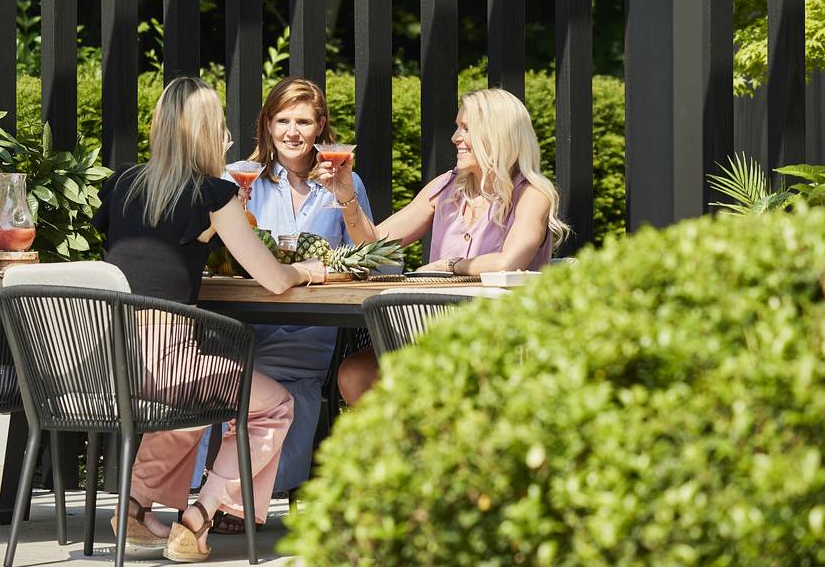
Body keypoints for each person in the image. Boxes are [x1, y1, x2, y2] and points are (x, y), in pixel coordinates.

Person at [95, 77, 326, 562]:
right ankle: (199, 519)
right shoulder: (213, 193)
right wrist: (307, 268)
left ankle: (136, 508)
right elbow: (273, 278)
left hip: (109, 358)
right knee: (275, 405)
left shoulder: (118, 185)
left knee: (193, 401)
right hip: (165, 361)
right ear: (207, 131)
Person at [190, 77, 374, 528]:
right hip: (241, 328)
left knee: (287, 382)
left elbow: (373, 256)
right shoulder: (236, 177)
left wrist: (346, 196)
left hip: (307, 332)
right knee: (222, 374)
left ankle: (231, 497)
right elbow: (203, 250)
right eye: (283, 120)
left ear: (320, 128)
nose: (293, 131)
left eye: (304, 121)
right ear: (267, 125)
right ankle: (222, 497)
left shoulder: (343, 181)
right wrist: (236, 209)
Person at [317, 86, 568, 407]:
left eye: (466, 129)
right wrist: (345, 194)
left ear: (498, 135)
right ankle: (402, 455)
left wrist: (449, 266)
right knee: (356, 373)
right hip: (432, 337)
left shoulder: (532, 194)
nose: (454, 138)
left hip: (498, 344)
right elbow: (372, 245)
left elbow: (509, 261)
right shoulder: (445, 187)